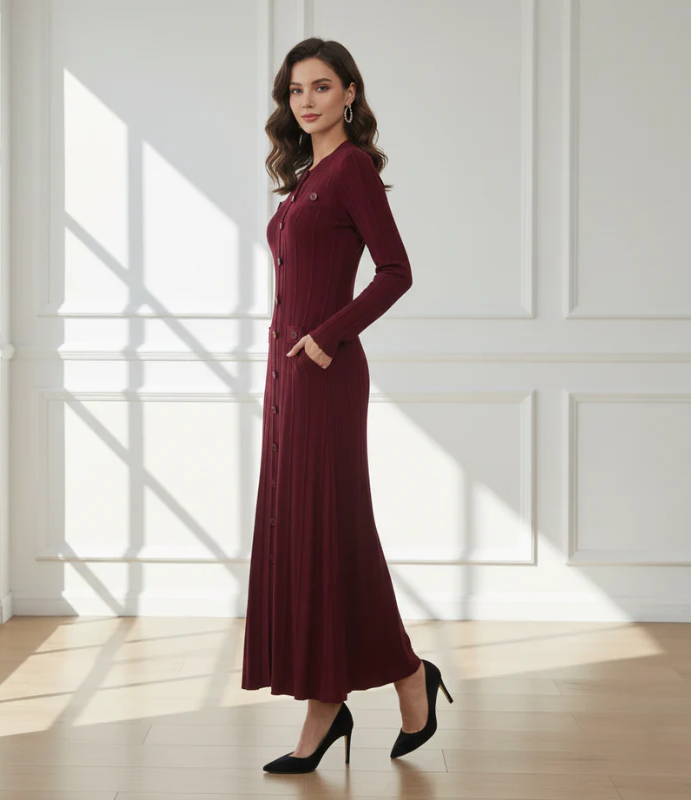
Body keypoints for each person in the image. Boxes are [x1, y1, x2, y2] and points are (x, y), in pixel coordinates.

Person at [241, 38, 453, 774]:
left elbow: (396, 272)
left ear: (350, 94)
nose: (306, 100)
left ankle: (341, 705)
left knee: (336, 532)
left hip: (326, 374)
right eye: (295, 89)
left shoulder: (352, 170)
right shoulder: (305, 179)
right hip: (288, 379)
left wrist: (329, 338)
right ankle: (396, 682)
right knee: (312, 535)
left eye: (322, 87)